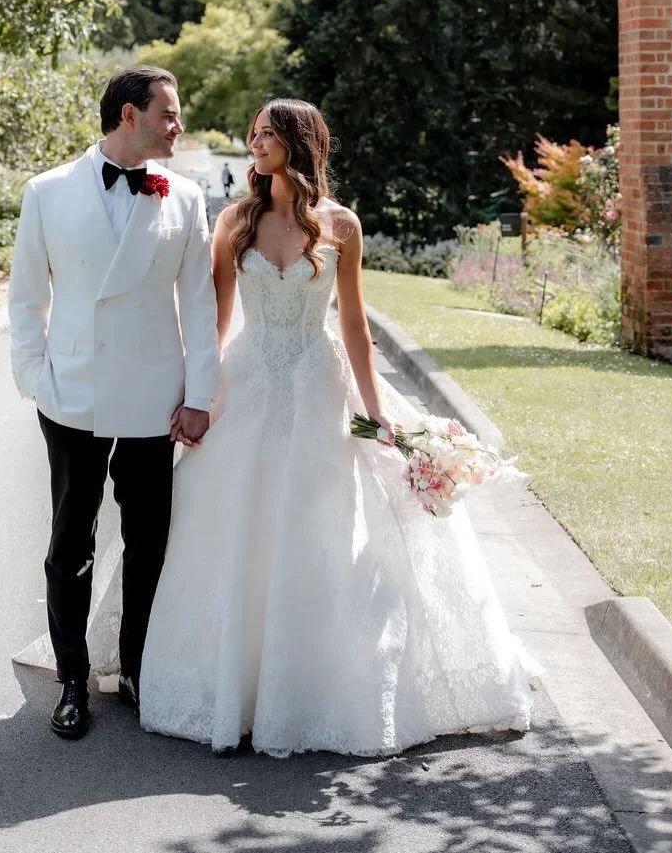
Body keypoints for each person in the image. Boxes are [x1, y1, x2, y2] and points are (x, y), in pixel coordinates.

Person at [138, 98, 533, 757]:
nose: (255, 144)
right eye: (254, 134)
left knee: (316, 524)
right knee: (233, 519)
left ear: (299, 143)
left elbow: (352, 324)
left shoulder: (342, 224)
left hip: (317, 387)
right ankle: (231, 682)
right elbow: (216, 319)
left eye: (267, 134)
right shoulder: (235, 219)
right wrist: (196, 395)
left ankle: (310, 686)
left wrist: (377, 410)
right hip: (248, 382)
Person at [8, 66, 219, 740]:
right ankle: (72, 678)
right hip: (73, 392)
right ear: (130, 115)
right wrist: (36, 377)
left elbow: (201, 303)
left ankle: (135, 669)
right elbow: (25, 297)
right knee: (71, 539)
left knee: (149, 539)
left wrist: (201, 395)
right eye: (169, 113)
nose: (178, 126)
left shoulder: (186, 197)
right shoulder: (47, 192)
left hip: (155, 397)